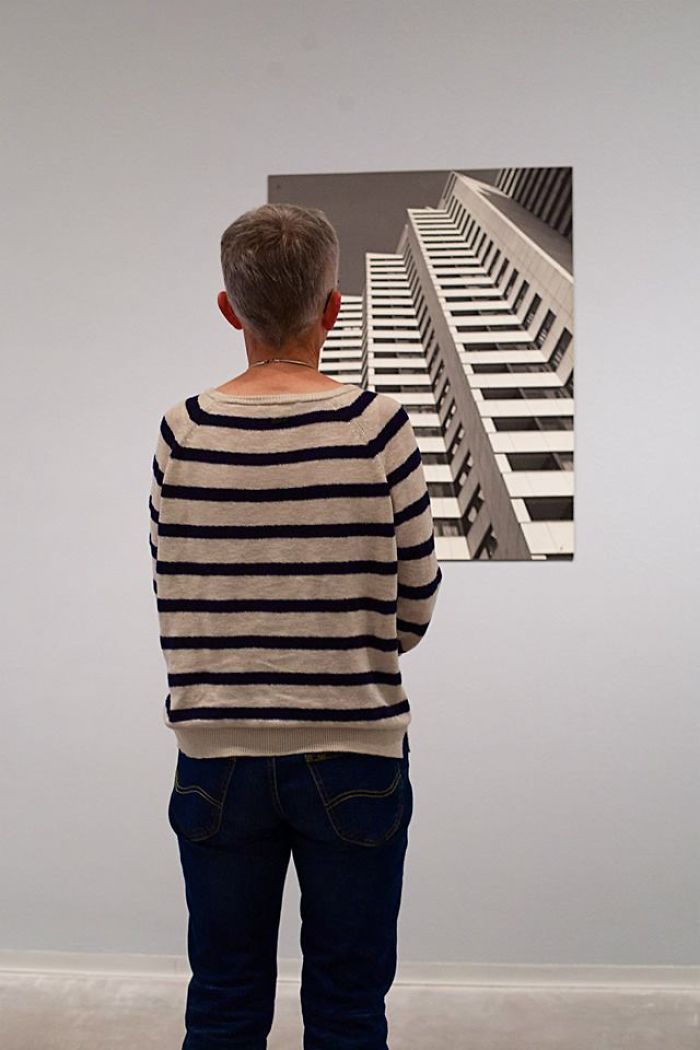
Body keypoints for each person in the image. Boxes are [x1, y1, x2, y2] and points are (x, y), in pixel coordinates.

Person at [148, 203, 442, 1049]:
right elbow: (416, 602)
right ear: (333, 308)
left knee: (223, 998)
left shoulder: (185, 431)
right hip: (354, 749)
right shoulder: (377, 427)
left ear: (229, 309)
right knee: (348, 1005)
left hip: (216, 757)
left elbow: (173, 587)